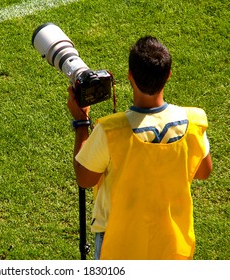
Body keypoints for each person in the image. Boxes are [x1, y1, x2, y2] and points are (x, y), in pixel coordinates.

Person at [67, 36, 212, 260]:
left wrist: (81, 123)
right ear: (168, 75)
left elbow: (84, 179)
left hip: (119, 247)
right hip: (173, 246)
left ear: (130, 75)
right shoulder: (194, 121)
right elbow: (204, 171)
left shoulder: (110, 130)